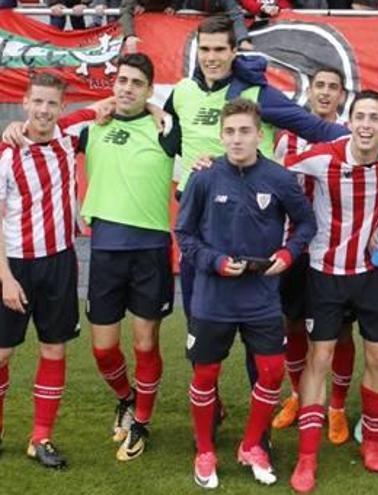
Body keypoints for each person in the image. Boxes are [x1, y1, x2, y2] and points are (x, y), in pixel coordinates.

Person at [164, 16, 347, 429]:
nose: (211, 58)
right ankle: (209, 418)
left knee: (256, 340)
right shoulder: (182, 93)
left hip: (251, 233)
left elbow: (315, 128)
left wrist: (364, 135)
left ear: (233, 52)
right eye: (204, 50)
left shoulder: (257, 93)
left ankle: (257, 429)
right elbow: (170, 139)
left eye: (219, 50)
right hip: (202, 238)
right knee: (201, 333)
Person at [176, 98, 316, 489]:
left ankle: (252, 444)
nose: (237, 139)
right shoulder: (203, 177)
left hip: (261, 296)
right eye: (230, 132)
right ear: (221, 135)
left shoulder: (280, 178)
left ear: (259, 135)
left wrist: (288, 254)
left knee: (272, 372)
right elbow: (183, 234)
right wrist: (215, 262)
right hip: (213, 297)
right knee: (206, 373)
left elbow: (306, 223)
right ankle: (204, 451)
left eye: (245, 131)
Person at [287, 91, 378, 494]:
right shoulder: (323, 156)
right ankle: (307, 458)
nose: (367, 124)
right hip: (326, 272)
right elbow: (272, 172)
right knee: (319, 357)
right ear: (349, 120)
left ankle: (371, 442)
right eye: (360, 116)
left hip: (374, 274)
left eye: (375, 117)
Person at [0, 72, 106, 469]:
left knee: (53, 348)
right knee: (3, 352)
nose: (44, 110)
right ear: (24, 103)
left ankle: (40, 438)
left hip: (59, 261)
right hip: (13, 264)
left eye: (52, 103)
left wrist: (148, 106)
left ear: (62, 107)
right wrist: (5, 277)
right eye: (37, 102)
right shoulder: (6, 153)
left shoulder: (68, 135)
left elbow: (114, 103)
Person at [79, 53, 180, 462]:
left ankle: (141, 420)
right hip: (104, 251)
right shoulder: (91, 128)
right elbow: (43, 127)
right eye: (122, 80)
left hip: (150, 251)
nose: (126, 88)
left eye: (137, 83)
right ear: (113, 84)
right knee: (103, 349)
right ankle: (126, 396)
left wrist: (158, 110)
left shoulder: (165, 129)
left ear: (149, 90)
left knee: (144, 344)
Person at [271, 67, 358, 447]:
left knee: (339, 331)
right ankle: (297, 395)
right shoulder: (287, 138)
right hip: (293, 247)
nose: (325, 93)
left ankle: (336, 407)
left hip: (335, 250)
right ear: (309, 92)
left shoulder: (350, 137)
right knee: (291, 323)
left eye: (332, 88)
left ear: (342, 96)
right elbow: (273, 186)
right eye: (319, 85)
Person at [119, 0, 253, 53]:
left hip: (204, 36)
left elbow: (235, 14)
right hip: (178, 41)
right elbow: (125, 10)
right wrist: (130, 35)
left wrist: (243, 39)